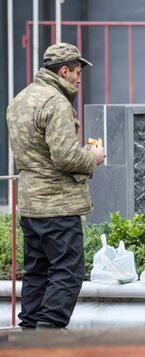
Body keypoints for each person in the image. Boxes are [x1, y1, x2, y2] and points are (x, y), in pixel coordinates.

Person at [6, 43, 105, 329]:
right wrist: (93, 157)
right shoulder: (56, 102)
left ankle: (30, 332)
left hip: (31, 203)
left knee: (37, 271)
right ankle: (48, 334)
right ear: (63, 71)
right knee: (68, 272)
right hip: (58, 205)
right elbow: (64, 157)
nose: (78, 79)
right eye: (76, 73)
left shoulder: (21, 99)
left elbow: (37, 152)